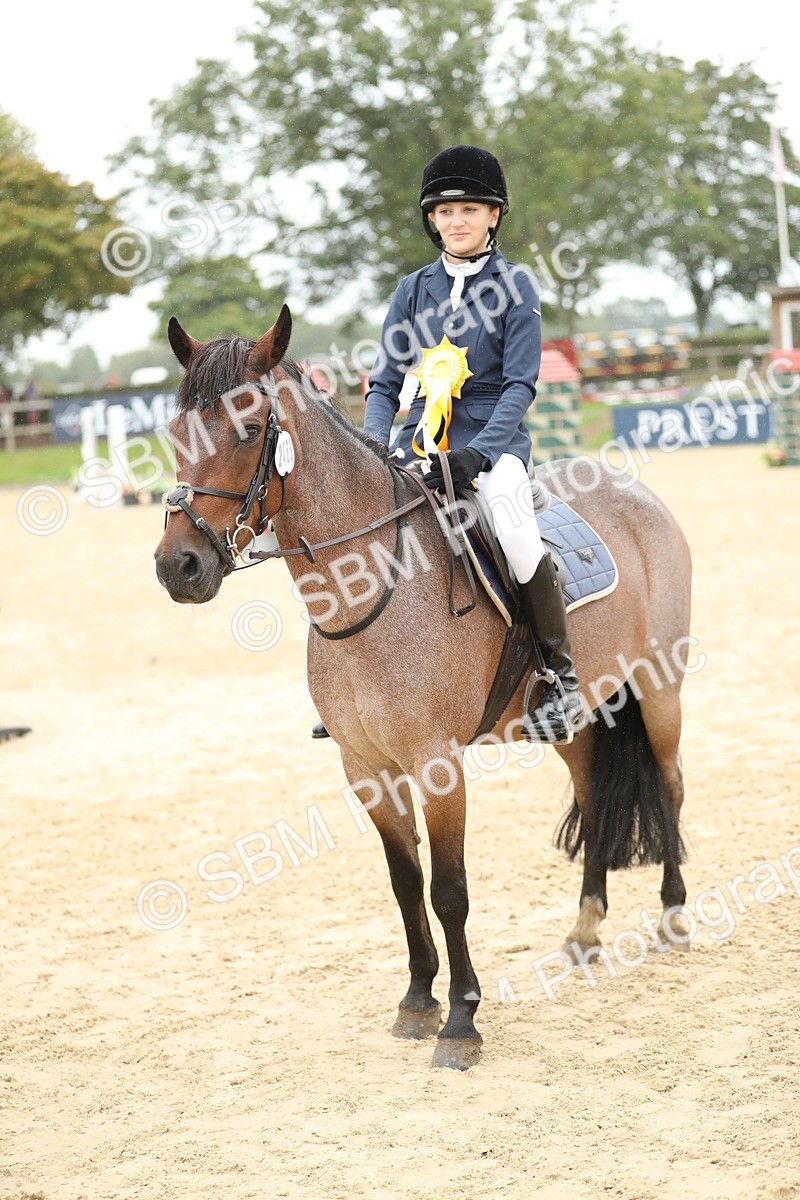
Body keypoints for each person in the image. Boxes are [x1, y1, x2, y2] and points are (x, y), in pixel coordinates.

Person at [314, 144, 582, 744]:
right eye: (444, 211)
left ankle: (559, 678)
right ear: (431, 219)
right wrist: (378, 446)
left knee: (512, 527)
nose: (455, 221)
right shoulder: (413, 290)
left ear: (493, 215)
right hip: (419, 442)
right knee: (361, 528)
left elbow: (520, 384)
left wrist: (480, 454)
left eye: (468, 209)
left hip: (494, 445)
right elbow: (384, 383)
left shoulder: (516, 286)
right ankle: (351, 679)